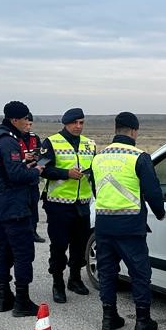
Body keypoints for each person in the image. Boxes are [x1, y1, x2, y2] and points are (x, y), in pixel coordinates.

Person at [90, 111, 166, 330]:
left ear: (116, 129)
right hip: (130, 226)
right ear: (134, 131)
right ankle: (142, 322)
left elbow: (96, 189)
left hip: (103, 225)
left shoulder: (99, 157)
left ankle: (108, 318)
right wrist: (160, 212)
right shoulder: (139, 157)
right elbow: (153, 192)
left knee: (107, 271)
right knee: (139, 273)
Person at [0, 101, 44, 317]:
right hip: (14, 205)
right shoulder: (8, 141)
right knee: (22, 253)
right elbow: (15, 175)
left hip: (1, 203)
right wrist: (35, 171)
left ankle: (4, 297)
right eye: (24, 119)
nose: (27, 122)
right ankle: (22, 301)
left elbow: (7, 170)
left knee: (4, 250)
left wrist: (23, 165)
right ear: (14, 120)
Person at [40, 107, 97, 303]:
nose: (78, 126)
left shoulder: (90, 144)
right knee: (59, 245)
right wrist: (66, 174)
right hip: (58, 205)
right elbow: (43, 169)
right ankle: (57, 283)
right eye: (74, 123)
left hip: (82, 203)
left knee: (79, 244)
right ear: (66, 123)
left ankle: (74, 279)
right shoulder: (51, 142)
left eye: (81, 122)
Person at [22, 112, 45, 243]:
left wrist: (38, 162)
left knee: (33, 207)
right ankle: (23, 233)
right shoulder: (13, 138)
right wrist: (24, 158)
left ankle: (33, 232)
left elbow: (42, 156)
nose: (28, 127)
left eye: (30, 124)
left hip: (33, 179)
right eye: (26, 124)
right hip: (20, 178)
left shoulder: (34, 138)